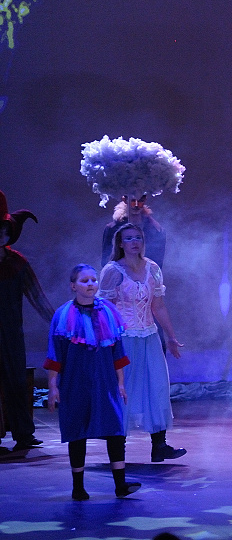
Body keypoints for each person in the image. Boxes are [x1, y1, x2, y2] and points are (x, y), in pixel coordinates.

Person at [44, 264, 141, 499]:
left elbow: (117, 352)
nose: (90, 284)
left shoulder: (108, 311)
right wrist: (53, 386)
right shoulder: (64, 315)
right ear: (73, 285)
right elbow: (55, 354)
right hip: (75, 381)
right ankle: (78, 487)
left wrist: (120, 383)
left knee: (115, 429)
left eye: (93, 280)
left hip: (105, 381)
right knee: (77, 431)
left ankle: (120, 485)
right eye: (84, 280)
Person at [98, 223, 186, 462]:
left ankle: (159, 445)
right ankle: (119, 449)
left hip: (149, 337)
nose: (134, 242)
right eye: (128, 238)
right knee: (124, 390)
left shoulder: (153, 268)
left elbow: (158, 306)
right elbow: (105, 310)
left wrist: (171, 336)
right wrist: (107, 341)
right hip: (124, 339)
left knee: (156, 387)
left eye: (138, 237)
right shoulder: (113, 271)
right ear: (120, 243)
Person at [0, 190, 53, 454]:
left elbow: (37, 297)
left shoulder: (17, 263)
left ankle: (24, 433)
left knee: (17, 382)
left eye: (3, 230)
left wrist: (59, 323)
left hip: (11, 333)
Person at [101, 195, 166, 266]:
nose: (136, 205)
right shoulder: (112, 229)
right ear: (125, 200)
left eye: (140, 201)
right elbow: (106, 260)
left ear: (144, 200)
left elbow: (157, 264)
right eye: (133, 201)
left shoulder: (155, 230)